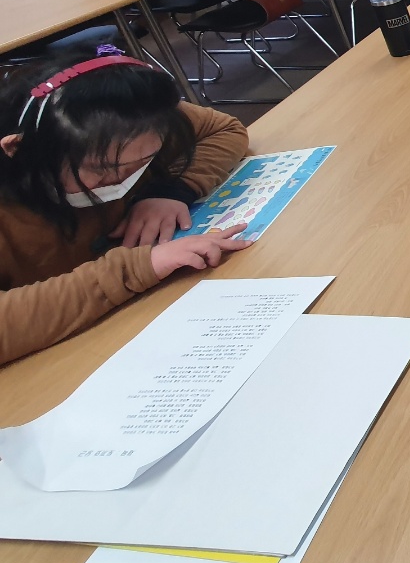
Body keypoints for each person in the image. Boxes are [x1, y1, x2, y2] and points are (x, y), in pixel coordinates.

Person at [0, 50, 252, 366]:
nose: (122, 182)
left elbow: (224, 129)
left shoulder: (135, 120)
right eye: (101, 170)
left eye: (143, 162)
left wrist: (170, 191)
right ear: (19, 149)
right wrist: (136, 268)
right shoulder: (61, 135)